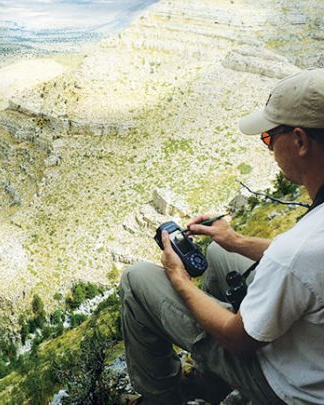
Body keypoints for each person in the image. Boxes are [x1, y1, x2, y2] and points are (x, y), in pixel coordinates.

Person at [120, 68, 324, 404]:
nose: (269, 150)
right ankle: (211, 378)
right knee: (218, 253)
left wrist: (178, 277)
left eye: (270, 138)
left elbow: (238, 339)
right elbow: (307, 264)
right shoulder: (304, 246)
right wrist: (236, 241)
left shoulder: (297, 251)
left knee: (137, 278)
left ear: (300, 141)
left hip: (289, 387)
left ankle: (164, 397)